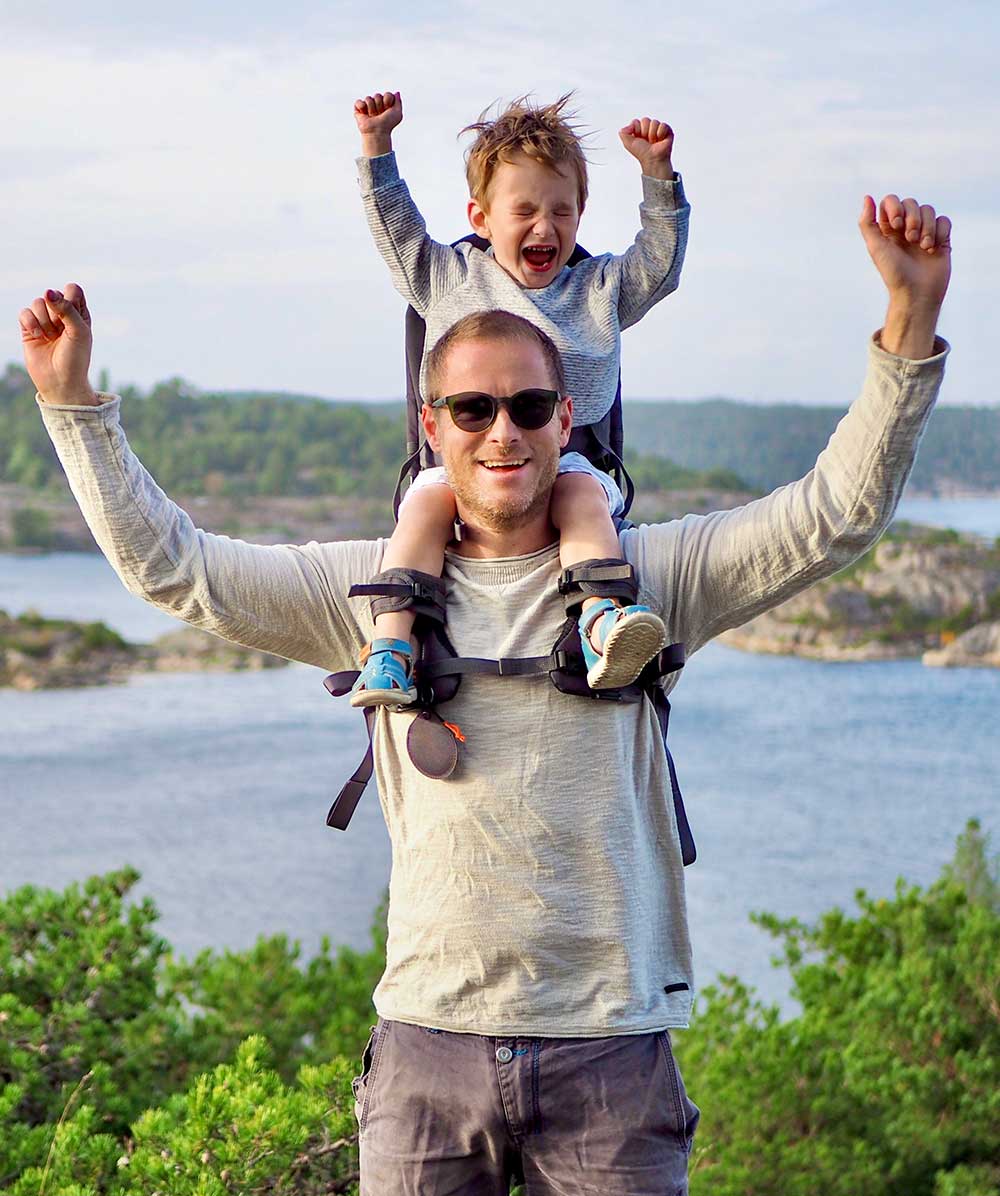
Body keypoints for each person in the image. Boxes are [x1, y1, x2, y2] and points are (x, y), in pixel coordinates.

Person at [20, 189, 951, 1195]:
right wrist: (74, 405)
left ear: (568, 418)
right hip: (428, 1053)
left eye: (527, 406)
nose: (501, 431)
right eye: (472, 407)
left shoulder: (651, 579)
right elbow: (176, 567)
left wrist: (906, 325)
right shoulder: (371, 588)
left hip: (609, 1051)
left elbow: (833, 517)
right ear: (432, 423)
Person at [349, 91, 690, 705]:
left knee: (581, 495)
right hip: (462, 466)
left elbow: (658, 268)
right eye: (525, 210)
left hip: (570, 458)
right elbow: (397, 231)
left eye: (562, 211)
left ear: (581, 214)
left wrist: (657, 177)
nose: (545, 227)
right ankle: (391, 646)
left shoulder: (600, 287)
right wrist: (378, 147)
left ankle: (601, 621)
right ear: (481, 218)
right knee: (423, 510)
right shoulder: (450, 277)